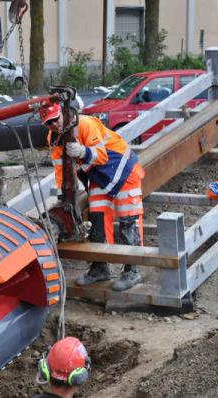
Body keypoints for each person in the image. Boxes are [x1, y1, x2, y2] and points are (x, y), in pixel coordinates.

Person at [40, 103, 145, 291]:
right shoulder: (54, 138)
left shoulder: (85, 124)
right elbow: (59, 169)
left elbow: (102, 156)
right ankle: (100, 267)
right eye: (48, 123)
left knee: (128, 219)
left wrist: (83, 152)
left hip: (124, 170)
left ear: (63, 114)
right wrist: (62, 197)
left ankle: (132, 270)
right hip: (99, 176)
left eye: (55, 119)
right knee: (97, 218)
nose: (53, 125)